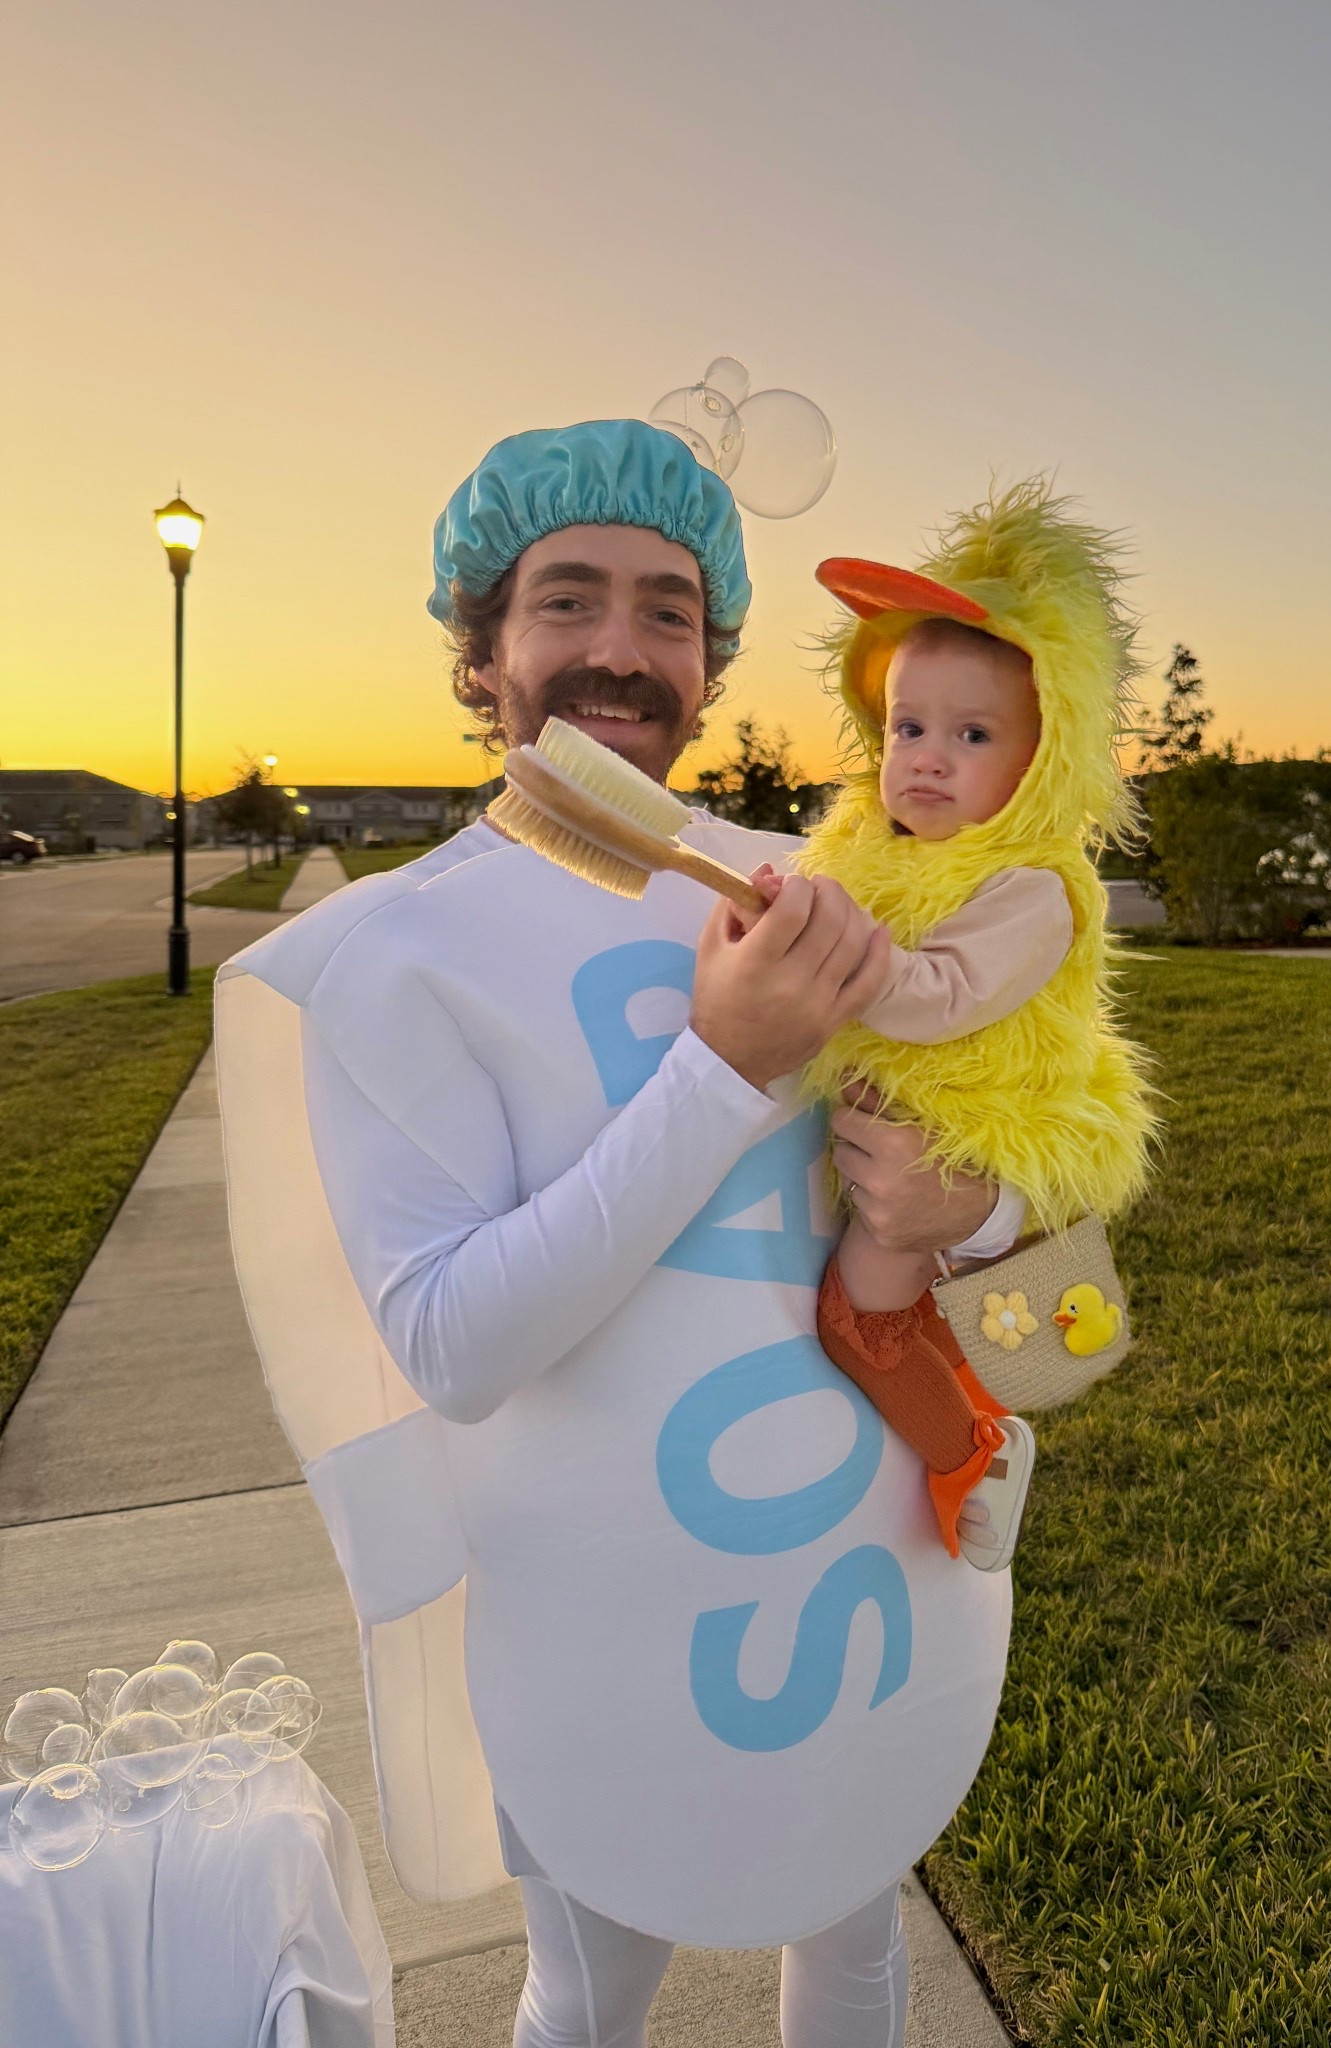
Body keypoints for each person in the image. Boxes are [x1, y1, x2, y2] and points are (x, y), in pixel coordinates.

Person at [215, 420, 1032, 2048]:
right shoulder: (400, 953)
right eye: (567, 599)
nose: (619, 647)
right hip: (604, 1612)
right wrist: (722, 1068)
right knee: (592, 1990)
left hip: (854, 1571)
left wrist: (971, 1207)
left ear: (713, 656)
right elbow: (452, 1341)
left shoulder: (812, 883)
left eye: (667, 608)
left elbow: (995, 1174)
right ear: (485, 648)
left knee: (854, 1934)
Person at [773, 487, 1158, 1569]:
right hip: (903, 1132)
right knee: (937, 1321)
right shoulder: (871, 852)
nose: (927, 757)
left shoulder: (1031, 884)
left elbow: (940, 993)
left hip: (961, 1137)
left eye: (972, 733)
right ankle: (968, 1403)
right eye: (907, 726)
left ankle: (972, 1454)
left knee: (862, 1322)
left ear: (1042, 759)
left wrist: (834, 951)